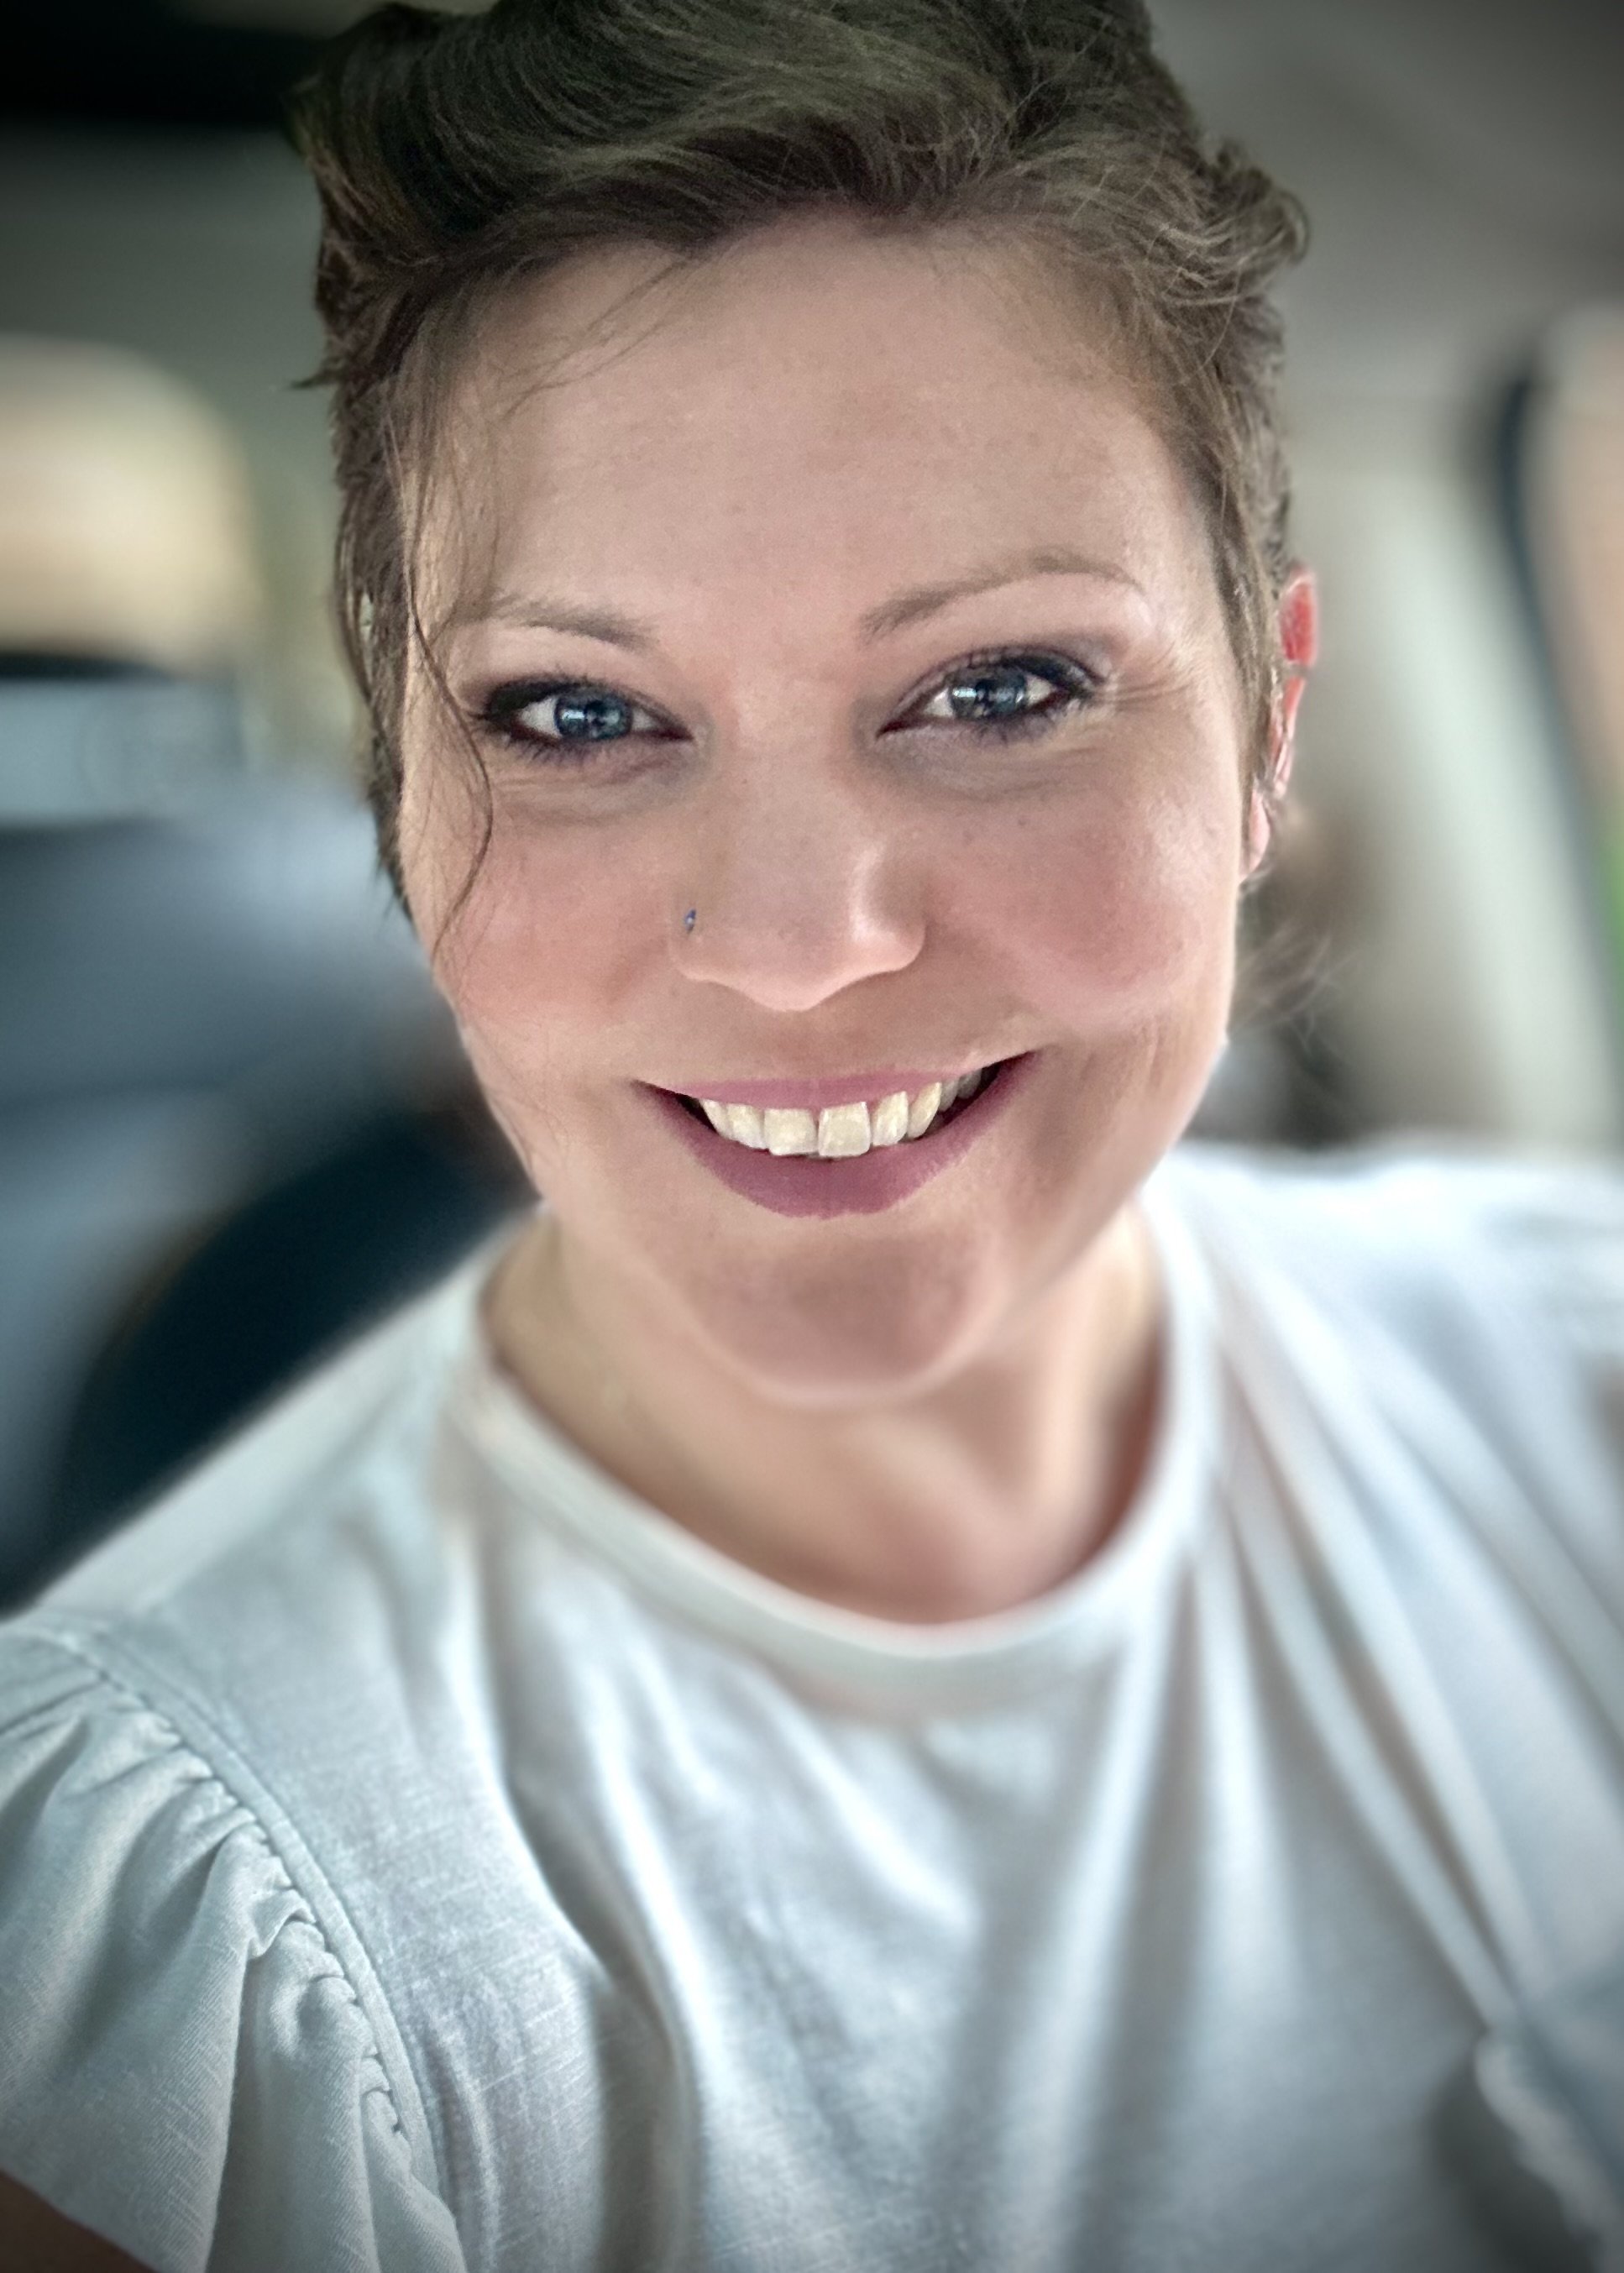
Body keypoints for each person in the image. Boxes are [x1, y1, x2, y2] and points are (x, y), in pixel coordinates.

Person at [2, 0, 1621, 2266]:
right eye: (577, 713)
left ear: (1269, 726)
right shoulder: (198, 1954)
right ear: (399, 788)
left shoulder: (1586, 1389)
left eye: (998, 689)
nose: (794, 945)